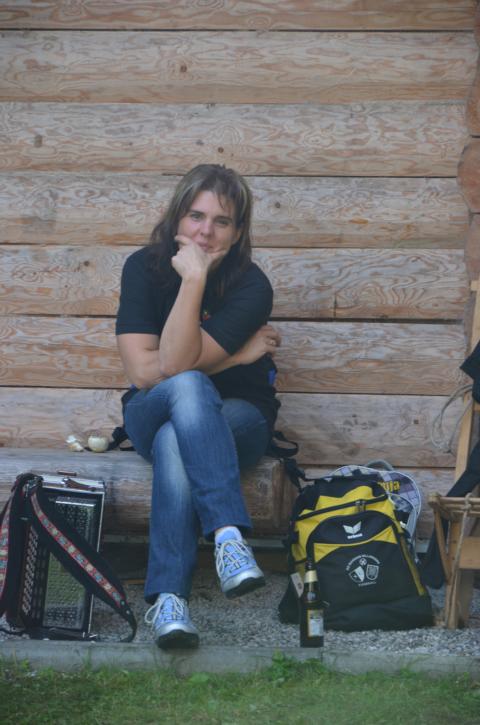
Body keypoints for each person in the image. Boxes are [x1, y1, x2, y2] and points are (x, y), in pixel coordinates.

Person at [115, 164, 281, 649]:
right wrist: (195, 285)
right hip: (151, 407)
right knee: (185, 386)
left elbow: (170, 361)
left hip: (239, 416)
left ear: (238, 231)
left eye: (221, 221)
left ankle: (170, 601)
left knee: (177, 435)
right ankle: (228, 535)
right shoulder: (143, 269)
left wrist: (196, 355)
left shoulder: (251, 286)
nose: (206, 231)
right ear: (176, 218)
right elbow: (146, 372)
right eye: (196, 216)